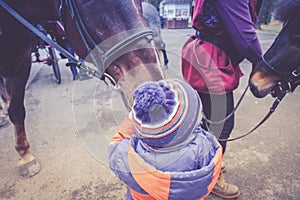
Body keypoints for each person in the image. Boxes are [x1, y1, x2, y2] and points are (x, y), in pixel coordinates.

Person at [181, 0, 263, 198]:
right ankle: (210, 177)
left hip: (205, 53)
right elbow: (246, 38)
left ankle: (200, 162)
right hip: (212, 60)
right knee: (221, 124)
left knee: (210, 121)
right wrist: (262, 64)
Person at [108, 79, 223, 200]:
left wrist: (136, 115)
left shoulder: (127, 154)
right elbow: (209, 177)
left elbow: (116, 141)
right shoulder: (202, 145)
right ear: (191, 124)